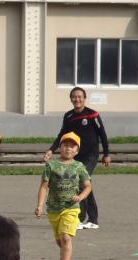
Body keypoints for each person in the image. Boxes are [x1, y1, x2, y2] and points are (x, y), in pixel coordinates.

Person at [43, 87, 110, 229]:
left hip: (90, 155)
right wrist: (51, 150)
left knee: (81, 181)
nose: (77, 99)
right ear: (71, 99)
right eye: (74, 97)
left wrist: (107, 154)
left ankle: (85, 218)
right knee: (84, 184)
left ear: (84, 98)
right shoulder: (68, 116)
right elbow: (62, 135)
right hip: (76, 156)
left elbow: (102, 134)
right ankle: (88, 219)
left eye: (79, 96)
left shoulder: (93, 115)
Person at [36, 131, 92, 260]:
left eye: (72, 146)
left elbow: (88, 186)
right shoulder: (51, 165)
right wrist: (40, 205)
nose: (68, 149)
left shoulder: (79, 166)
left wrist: (80, 197)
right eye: (65, 145)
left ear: (77, 150)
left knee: (66, 237)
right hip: (53, 209)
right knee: (61, 242)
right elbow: (43, 187)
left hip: (71, 208)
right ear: (59, 147)